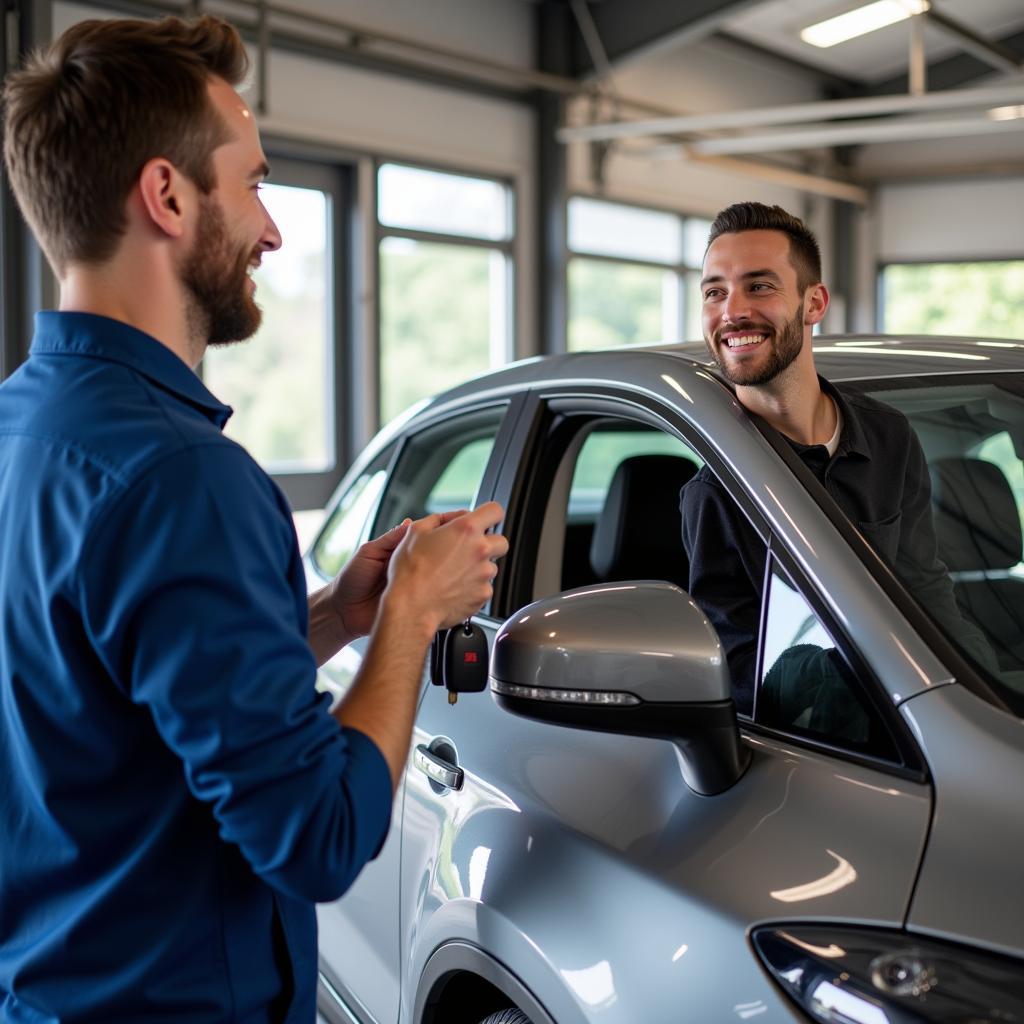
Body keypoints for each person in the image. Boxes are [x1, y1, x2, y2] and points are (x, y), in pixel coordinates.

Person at [0, 14, 507, 1023]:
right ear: (168, 195)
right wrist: (411, 616)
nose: (272, 229)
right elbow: (318, 834)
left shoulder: (26, 424)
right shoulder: (185, 477)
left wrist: (330, 620)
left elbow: (98, 685)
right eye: (255, 184)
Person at [681, 201, 992, 715]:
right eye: (715, 291)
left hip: (925, 719)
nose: (732, 310)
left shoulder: (889, 436)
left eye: (759, 286)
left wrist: (984, 695)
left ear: (814, 302)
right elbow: (743, 676)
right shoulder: (716, 491)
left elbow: (926, 594)